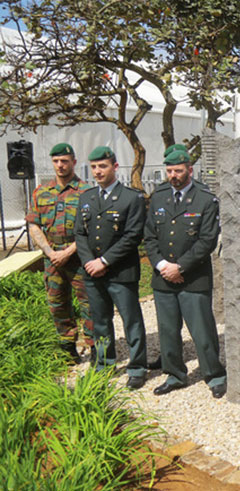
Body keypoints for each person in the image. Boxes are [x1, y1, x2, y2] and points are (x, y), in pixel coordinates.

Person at [144, 150, 227, 399]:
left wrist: (179, 267)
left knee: (202, 330)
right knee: (168, 330)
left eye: (178, 171)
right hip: (163, 278)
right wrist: (162, 266)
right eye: (169, 171)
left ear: (190, 170)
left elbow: (207, 240)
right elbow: (149, 236)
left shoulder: (204, 199)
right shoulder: (158, 197)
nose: (173, 176)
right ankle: (174, 375)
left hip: (193, 277)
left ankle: (214, 375)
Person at [74, 146, 148, 388]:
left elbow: (133, 235)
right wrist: (88, 262)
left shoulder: (131, 197)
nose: (97, 171)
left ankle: (137, 367)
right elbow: (80, 234)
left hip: (120, 272)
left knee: (131, 320)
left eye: (103, 166)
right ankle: (105, 364)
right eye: (94, 167)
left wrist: (104, 261)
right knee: (101, 321)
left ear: (115, 167)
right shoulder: (86, 198)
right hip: (92, 273)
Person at [26, 143, 94, 363]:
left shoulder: (86, 192)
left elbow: (91, 228)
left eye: (65, 161)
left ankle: (96, 349)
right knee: (57, 303)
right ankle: (67, 348)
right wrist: (49, 251)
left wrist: (68, 251)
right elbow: (34, 224)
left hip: (79, 257)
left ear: (74, 162)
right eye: (56, 161)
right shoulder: (41, 192)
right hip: (52, 257)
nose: (60, 165)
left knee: (89, 304)